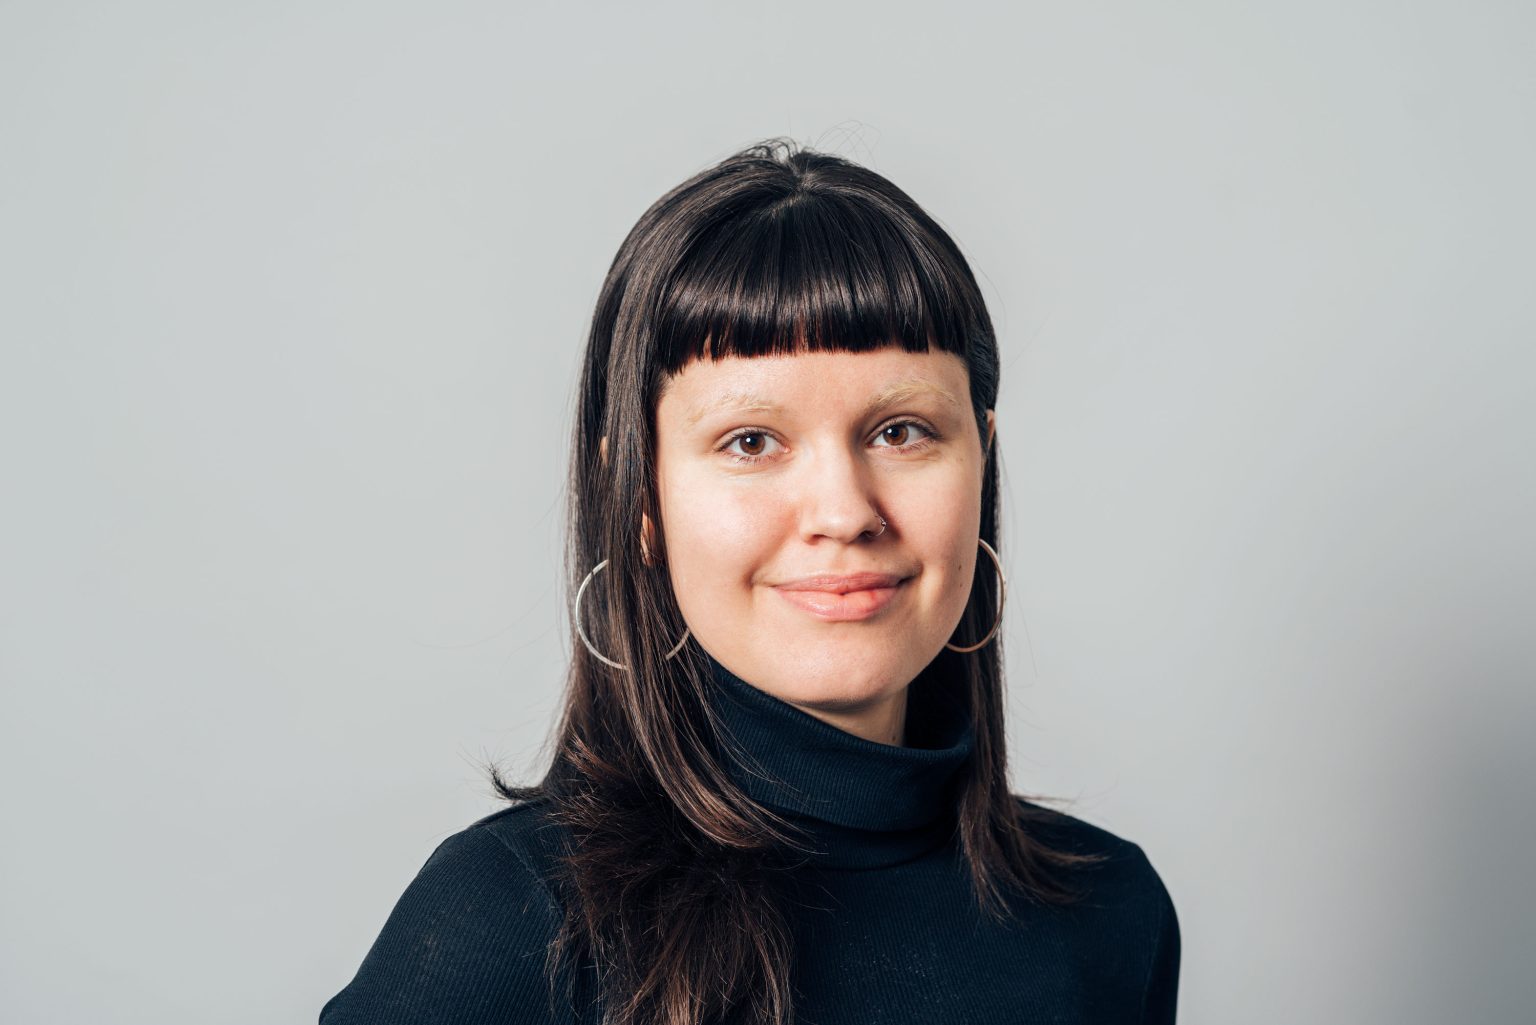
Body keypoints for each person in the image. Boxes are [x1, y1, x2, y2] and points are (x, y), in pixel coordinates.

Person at [319, 138, 1181, 1025]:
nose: (844, 511)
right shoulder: (508, 918)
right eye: (751, 441)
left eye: (902, 431)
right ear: (639, 499)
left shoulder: (1113, 915)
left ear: (982, 460)